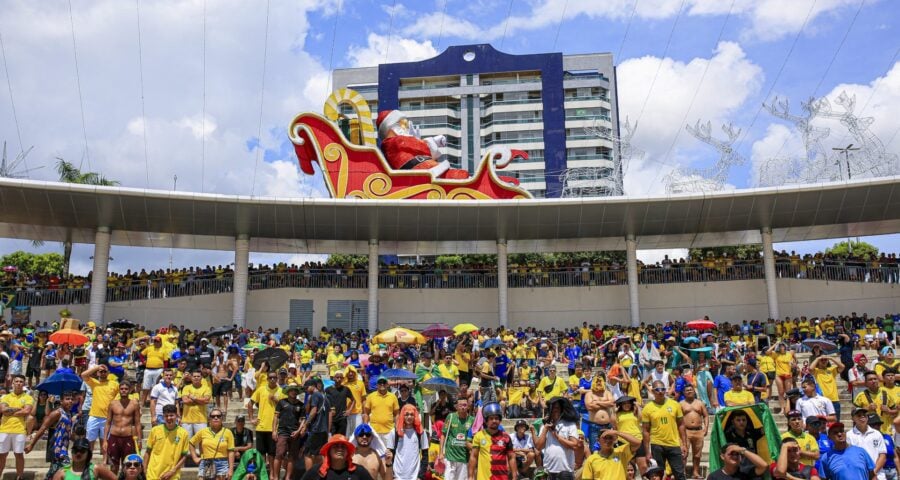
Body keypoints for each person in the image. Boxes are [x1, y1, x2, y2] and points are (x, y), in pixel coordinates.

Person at [375, 109, 469, 179]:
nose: (407, 127)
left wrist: (420, 140)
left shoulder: (400, 141)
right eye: (404, 124)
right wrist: (432, 141)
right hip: (417, 169)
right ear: (393, 126)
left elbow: (420, 148)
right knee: (454, 175)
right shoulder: (393, 143)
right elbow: (420, 147)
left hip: (424, 167)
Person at [641, 380, 687, 480]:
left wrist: (684, 444)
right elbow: (645, 431)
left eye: (663, 389)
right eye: (657, 389)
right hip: (657, 444)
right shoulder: (647, 408)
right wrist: (647, 452)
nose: (660, 391)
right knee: (658, 475)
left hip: (674, 444)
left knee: (679, 474)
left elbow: (681, 425)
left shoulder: (675, 404)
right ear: (652, 391)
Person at [26, 390, 75, 480]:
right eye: (67, 399)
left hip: (63, 449)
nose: (70, 401)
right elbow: (43, 428)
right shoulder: (57, 413)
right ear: (61, 401)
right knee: (68, 472)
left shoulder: (69, 413)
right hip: (57, 450)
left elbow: (67, 433)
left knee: (53, 475)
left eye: (72, 399)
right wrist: (31, 444)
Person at [467, 402, 516, 480]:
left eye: (496, 418)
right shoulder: (479, 436)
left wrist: (514, 476)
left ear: (500, 420)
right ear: (486, 421)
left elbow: (511, 457)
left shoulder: (506, 437)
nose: (494, 421)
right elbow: (473, 457)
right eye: (491, 418)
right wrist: (470, 476)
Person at [537, 396, 581, 480]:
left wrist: (557, 437)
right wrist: (545, 429)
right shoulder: (545, 426)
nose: (554, 409)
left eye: (557, 407)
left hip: (565, 470)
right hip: (548, 470)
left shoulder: (570, 424)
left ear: (561, 409)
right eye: (552, 407)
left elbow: (575, 445)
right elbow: (539, 447)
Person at [103, 380, 143, 474]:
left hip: (128, 438)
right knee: (113, 466)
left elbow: (137, 423)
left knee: (128, 465)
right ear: (119, 390)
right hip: (114, 437)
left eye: (126, 389)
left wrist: (139, 440)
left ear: (130, 390)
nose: (124, 390)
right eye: (122, 389)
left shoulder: (134, 404)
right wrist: (105, 440)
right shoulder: (113, 404)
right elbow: (108, 422)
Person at [248, 370, 283, 474]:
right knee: (261, 452)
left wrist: (276, 400)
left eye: (274, 377)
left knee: (272, 453)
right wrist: (251, 418)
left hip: (274, 428)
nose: (272, 379)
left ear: (277, 379)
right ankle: (262, 473)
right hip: (261, 426)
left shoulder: (281, 391)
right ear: (267, 379)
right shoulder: (261, 389)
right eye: (270, 377)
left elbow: (285, 407)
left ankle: (272, 473)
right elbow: (250, 403)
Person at [0, 374, 33, 479]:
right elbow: (3, 410)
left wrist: (10, 410)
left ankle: (20, 477)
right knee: (1, 455)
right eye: (17, 381)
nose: (19, 383)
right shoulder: (6, 397)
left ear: (24, 384)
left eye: (21, 382)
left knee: (18, 454)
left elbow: (27, 411)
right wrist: (19, 409)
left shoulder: (28, 397)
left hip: (19, 429)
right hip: (4, 429)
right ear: (13, 383)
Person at [144, 403, 189, 480]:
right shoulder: (155, 430)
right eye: (166, 416)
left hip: (172, 475)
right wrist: (144, 470)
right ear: (163, 417)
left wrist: (173, 471)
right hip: (153, 474)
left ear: (177, 416)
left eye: (171, 415)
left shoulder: (183, 433)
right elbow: (148, 452)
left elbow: (184, 456)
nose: (169, 418)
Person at [81, 364, 119, 452]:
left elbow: (118, 398)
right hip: (94, 416)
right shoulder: (94, 383)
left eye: (105, 371)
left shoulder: (115, 384)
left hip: (108, 418)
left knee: (106, 441)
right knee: (90, 440)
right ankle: (88, 461)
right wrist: (97, 367)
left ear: (108, 373)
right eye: (101, 372)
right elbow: (83, 375)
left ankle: (105, 461)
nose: (103, 373)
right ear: (97, 373)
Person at [189, 408, 235, 480]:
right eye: (213, 416)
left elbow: (231, 451)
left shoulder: (228, 432)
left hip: (222, 463)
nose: (215, 418)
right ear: (209, 419)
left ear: (222, 418)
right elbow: (191, 443)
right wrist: (195, 458)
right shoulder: (203, 432)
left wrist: (231, 469)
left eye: (218, 416)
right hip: (205, 463)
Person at [302, 434, 373, 480]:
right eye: (336, 446)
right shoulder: (317, 470)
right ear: (329, 451)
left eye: (343, 447)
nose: (340, 449)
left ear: (347, 452)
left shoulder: (359, 471)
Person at [389, 404, 429, 480]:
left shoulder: (420, 432)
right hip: (397, 477)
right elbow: (390, 455)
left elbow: (425, 456)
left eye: (412, 414)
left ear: (415, 416)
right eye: (406, 414)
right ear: (402, 416)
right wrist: (392, 475)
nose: (409, 417)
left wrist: (420, 476)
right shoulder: (394, 432)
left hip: (414, 477)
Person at [273, 384, 304, 480]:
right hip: (282, 431)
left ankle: (288, 478)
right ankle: (275, 477)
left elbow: (302, 420)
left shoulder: (301, 405)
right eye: (291, 390)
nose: (293, 392)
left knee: (292, 456)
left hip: (295, 433)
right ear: (288, 391)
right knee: (279, 454)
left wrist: (298, 431)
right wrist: (274, 431)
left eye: (295, 390)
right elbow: (276, 417)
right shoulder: (281, 402)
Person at [440, 397, 474, 480]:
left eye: (465, 405)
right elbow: (443, 435)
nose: (463, 407)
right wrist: (441, 453)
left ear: (468, 407)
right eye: (460, 405)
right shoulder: (450, 417)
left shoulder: (472, 420)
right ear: (456, 407)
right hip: (450, 457)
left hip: (464, 459)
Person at [846, 410, 887, 480]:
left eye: (864, 415)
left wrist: (873, 473)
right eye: (859, 415)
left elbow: (883, 456)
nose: (862, 416)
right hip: (858, 476)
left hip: (879, 475)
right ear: (853, 419)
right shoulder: (849, 435)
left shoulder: (877, 434)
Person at [52, 438, 117, 480]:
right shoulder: (62, 472)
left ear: (88, 453)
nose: (78, 453)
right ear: (71, 453)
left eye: (82, 451)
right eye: (75, 450)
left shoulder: (95, 469)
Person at [365, 377, 400, 452]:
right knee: (375, 454)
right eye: (380, 383)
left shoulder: (393, 397)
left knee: (388, 454)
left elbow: (397, 414)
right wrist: (365, 427)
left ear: (387, 384)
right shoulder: (371, 396)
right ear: (377, 385)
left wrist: (397, 427)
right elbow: (366, 413)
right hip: (374, 431)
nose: (382, 384)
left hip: (389, 431)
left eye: (384, 382)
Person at [304, 377, 331, 472]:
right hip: (323, 430)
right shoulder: (324, 397)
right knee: (319, 453)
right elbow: (329, 413)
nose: (305, 390)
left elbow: (313, 411)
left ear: (312, 386)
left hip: (316, 429)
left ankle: (309, 477)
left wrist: (306, 425)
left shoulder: (315, 395)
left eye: (306, 388)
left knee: (307, 453)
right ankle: (321, 474)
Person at [679, 384, 707, 479]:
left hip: (698, 431)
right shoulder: (681, 404)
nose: (689, 391)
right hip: (686, 431)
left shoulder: (700, 403)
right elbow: (678, 419)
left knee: (697, 454)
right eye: (687, 390)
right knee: (684, 453)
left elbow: (706, 416)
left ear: (694, 391)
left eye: (691, 390)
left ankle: (696, 473)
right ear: (684, 393)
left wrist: (706, 428)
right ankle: (682, 473)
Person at [182, 370, 212, 438]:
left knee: (201, 442)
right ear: (191, 378)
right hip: (186, 420)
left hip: (201, 420)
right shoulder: (186, 387)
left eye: (198, 376)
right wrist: (200, 400)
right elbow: (185, 401)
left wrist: (193, 398)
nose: (196, 378)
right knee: (187, 442)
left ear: (201, 378)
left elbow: (206, 401)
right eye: (194, 376)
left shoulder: (206, 388)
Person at [326, 371, 354, 436]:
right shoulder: (328, 390)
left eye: (341, 377)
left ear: (343, 379)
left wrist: (349, 410)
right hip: (332, 418)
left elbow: (353, 400)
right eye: (337, 377)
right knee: (332, 437)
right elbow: (326, 402)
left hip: (342, 418)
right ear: (333, 378)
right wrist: (330, 410)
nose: (339, 379)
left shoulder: (346, 389)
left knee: (341, 437)